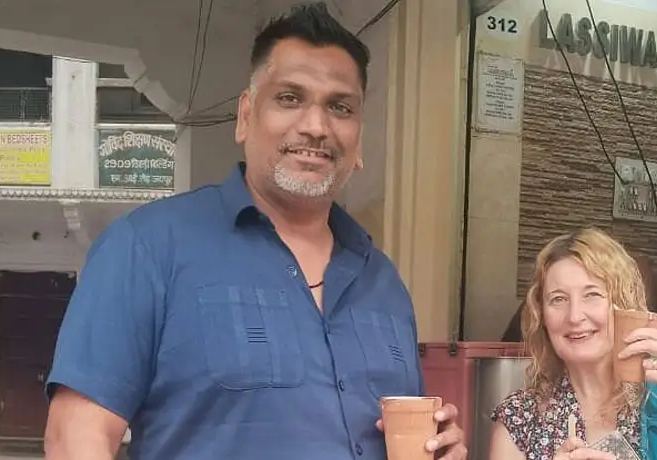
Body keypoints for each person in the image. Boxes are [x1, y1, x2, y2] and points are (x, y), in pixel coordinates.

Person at [42, 3, 467, 459]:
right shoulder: (146, 248)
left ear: (358, 137)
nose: (316, 126)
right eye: (289, 98)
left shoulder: (383, 283)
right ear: (245, 116)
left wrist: (441, 449)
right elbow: (74, 439)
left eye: (340, 107)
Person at [487, 228, 657, 460]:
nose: (574, 316)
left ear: (622, 303)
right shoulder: (519, 420)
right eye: (558, 299)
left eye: (592, 295)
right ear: (541, 315)